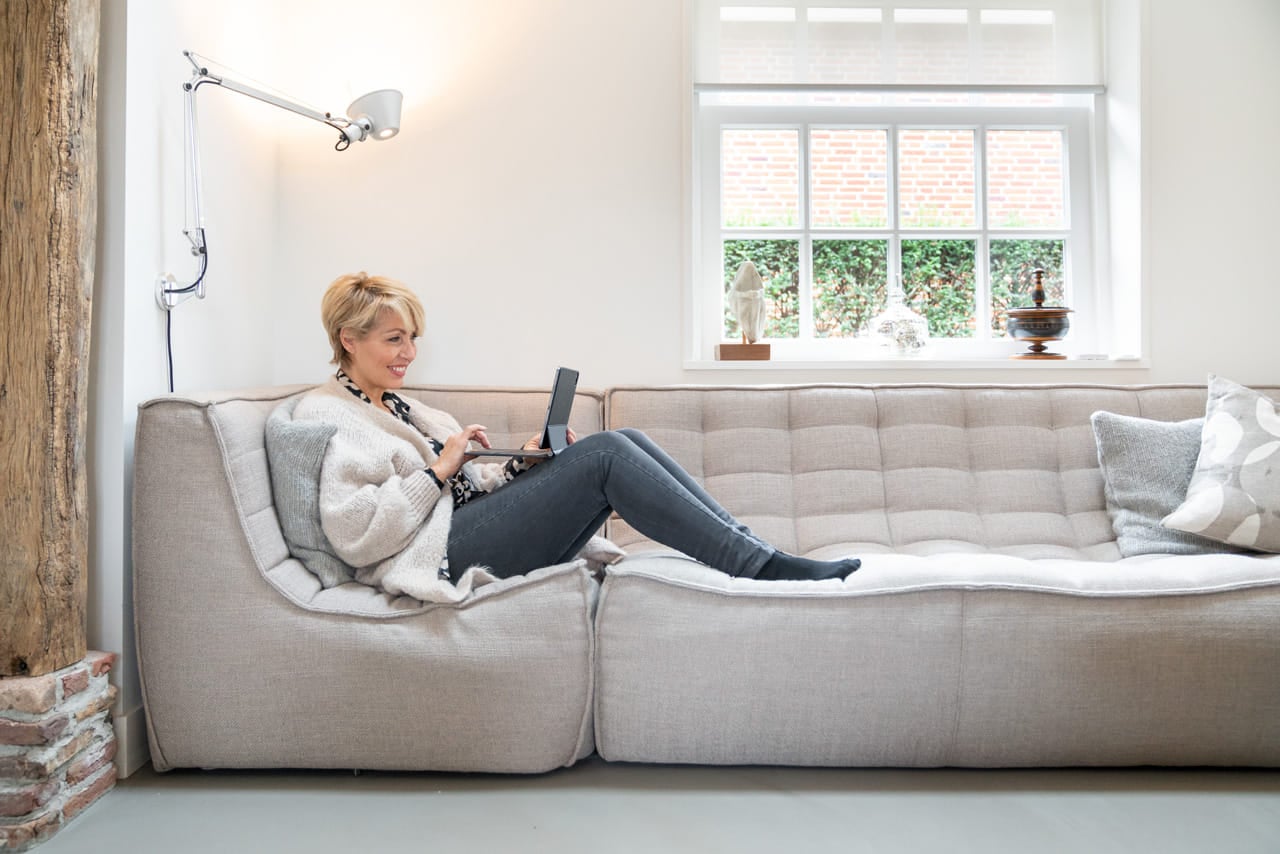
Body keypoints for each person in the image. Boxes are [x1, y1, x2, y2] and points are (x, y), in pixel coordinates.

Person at [291, 272, 861, 596]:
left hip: (462, 529)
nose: (409, 353)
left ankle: (756, 552)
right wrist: (439, 469)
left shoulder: (402, 406)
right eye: (394, 339)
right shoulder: (329, 416)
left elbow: (465, 490)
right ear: (348, 338)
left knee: (625, 439)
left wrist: (518, 469)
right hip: (437, 557)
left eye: (412, 338)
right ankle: (759, 566)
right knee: (607, 455)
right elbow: (358, 536)